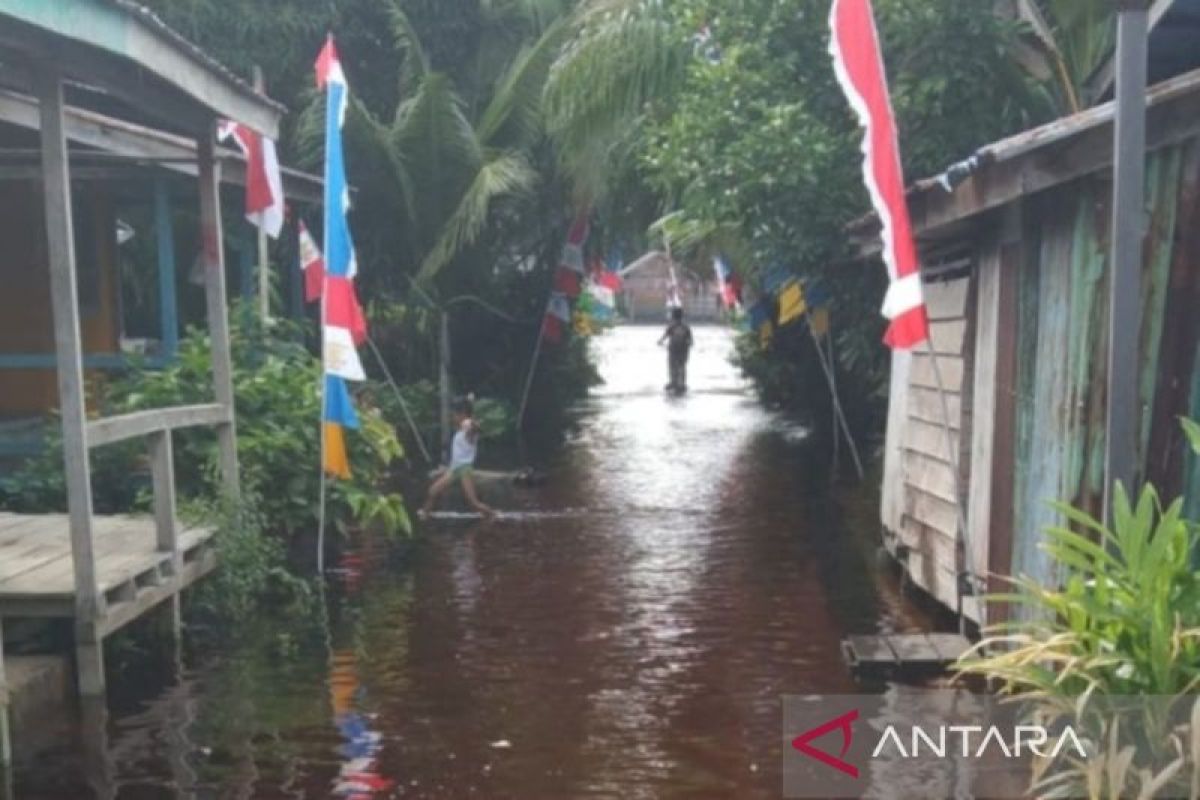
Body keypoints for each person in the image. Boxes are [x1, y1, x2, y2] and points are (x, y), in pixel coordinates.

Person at [419, 396, 496, 519]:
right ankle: (424, 515)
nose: (452, 417)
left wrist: (472, 424)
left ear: (462, 414)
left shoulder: (467, 425)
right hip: (454, 469)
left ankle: (494, 516)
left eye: (454, 414)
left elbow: (474, 428)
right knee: (432, 491)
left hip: (464, 469)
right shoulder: (461, 430)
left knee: (473, 503)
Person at [658, 306, 693, 393]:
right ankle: (682, 383)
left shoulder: (671, 326)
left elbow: (664, 337)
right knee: (682, 366)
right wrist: (688, 345)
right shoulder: (686, 327)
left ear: (673, 316)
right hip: (683, 350)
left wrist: (660, 342)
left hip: (673, 350)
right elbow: (690, 340)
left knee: (672, 366)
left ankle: (673, 382)